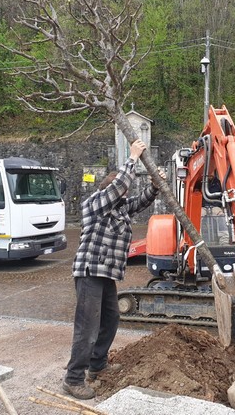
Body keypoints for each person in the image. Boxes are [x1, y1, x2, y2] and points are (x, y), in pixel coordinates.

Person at [63, 139, 165, 400]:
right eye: (120, 193)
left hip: (106, 274)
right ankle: (73, 378)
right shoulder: (95, 204)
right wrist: (132, 157)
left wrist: (154, 186)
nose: (124, 197)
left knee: (111, 318)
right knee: (87, 327)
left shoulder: (119, 209)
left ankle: (97, 365)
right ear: (110, 192)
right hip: (89, 272)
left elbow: (139, 202)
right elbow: (122, 184)